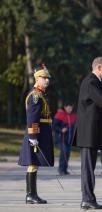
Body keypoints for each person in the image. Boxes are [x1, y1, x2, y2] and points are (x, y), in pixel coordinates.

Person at [72, 57, 102, 210]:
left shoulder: (95, 82)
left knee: (89, 167)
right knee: (88, 168)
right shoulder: (91, 81)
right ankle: (87, 198)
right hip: (88, 133)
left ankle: (88, 198)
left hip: (91, 133)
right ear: (99, 67)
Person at [18, 65, 53, 204]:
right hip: (36, 135)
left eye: (47, 78)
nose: (47, 80)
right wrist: (33, 137)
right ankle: (31, 195)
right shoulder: (35, 96)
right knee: (33, 164)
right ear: (37, 78)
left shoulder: (40, 94)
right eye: (44, 78)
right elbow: (32, 118)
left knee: (34, 164)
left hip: (39, 134)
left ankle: (32, 195)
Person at [53, 102, 76, 175]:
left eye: (71, 108)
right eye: (68, 108)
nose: (70, 109)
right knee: (63, 153)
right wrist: (61, 130)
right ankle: (61, 169)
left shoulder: (73, 116)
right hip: (61, 139)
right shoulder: (60, 114)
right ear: (65, 107)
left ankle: (65, 169)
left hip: (69, 139)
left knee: (67, 154)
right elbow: (54, 126)